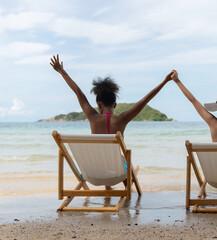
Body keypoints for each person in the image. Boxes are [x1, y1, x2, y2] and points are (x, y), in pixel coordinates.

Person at [50, 54, 173, 189]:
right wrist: (165, 81)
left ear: (99, 105)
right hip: (117, 173)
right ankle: (129, 183)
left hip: (93, 173)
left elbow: (78, 92)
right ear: (115, 105)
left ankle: (108, 187)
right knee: (123, 159)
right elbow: (145, 100)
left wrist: (62, 71)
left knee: (105, 157)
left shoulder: (92, 117)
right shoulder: (122, 119)